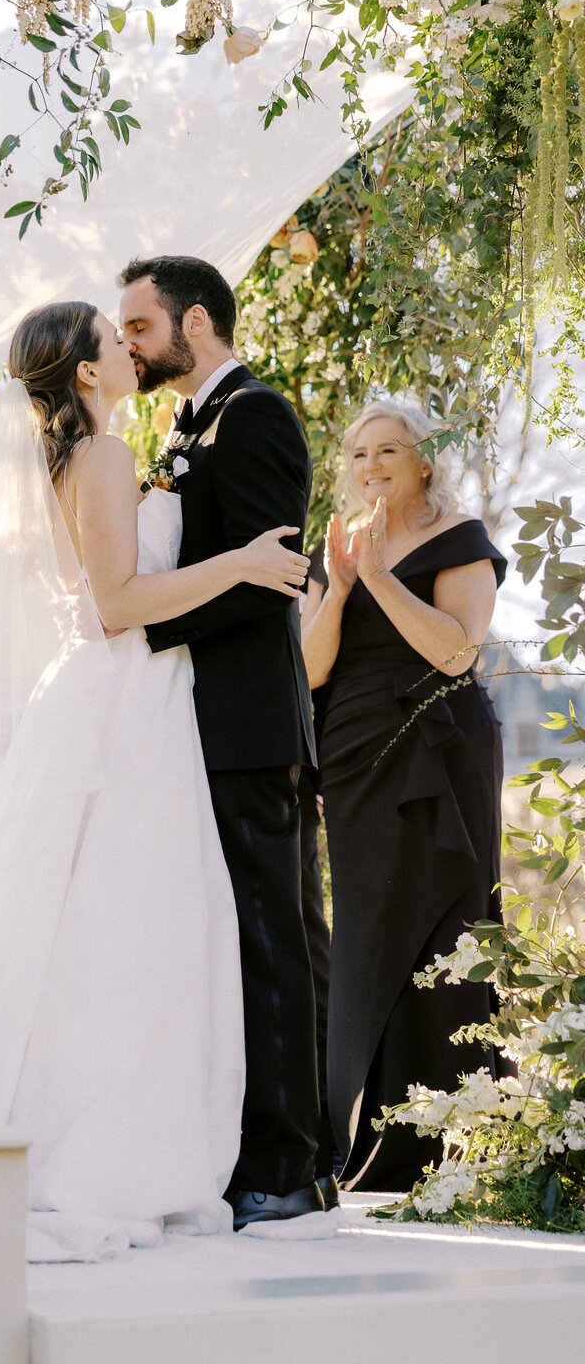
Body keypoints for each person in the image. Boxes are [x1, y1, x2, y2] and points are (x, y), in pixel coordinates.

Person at [0, 300, 314, 1261]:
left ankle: (76, 1119)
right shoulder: (99, 456)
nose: (129, 346)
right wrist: (244, 563)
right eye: (112, 334)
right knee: (132, 921)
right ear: (87, 371)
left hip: (116, 695)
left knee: (89, 920)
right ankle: (104, 1147)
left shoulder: (77, 456)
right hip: (123, 694)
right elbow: (115, 606)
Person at [116, 254, 328, 1233]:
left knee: (271, 942)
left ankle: (288, 1168)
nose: (129, 344)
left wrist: (140, 623)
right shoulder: (184, 426)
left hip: (249, 723)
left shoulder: (255, 415)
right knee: (233, 941)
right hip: (196, 724)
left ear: (194, 323)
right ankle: (258, 1153)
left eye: (141, 327)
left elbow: (267, 576)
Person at [302, 399, 506, 1192]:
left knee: (446, 927)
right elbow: (310, 669)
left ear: (424, 460)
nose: (371, 466)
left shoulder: (460, 538)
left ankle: (455, 1142)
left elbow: (456, 652)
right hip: (355, 755)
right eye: (359, 454)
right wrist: (341, 586)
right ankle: (362, 1139)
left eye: (388, 450)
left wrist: (382, 579)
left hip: (440, 749)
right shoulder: (337, 548)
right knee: (366, 934)